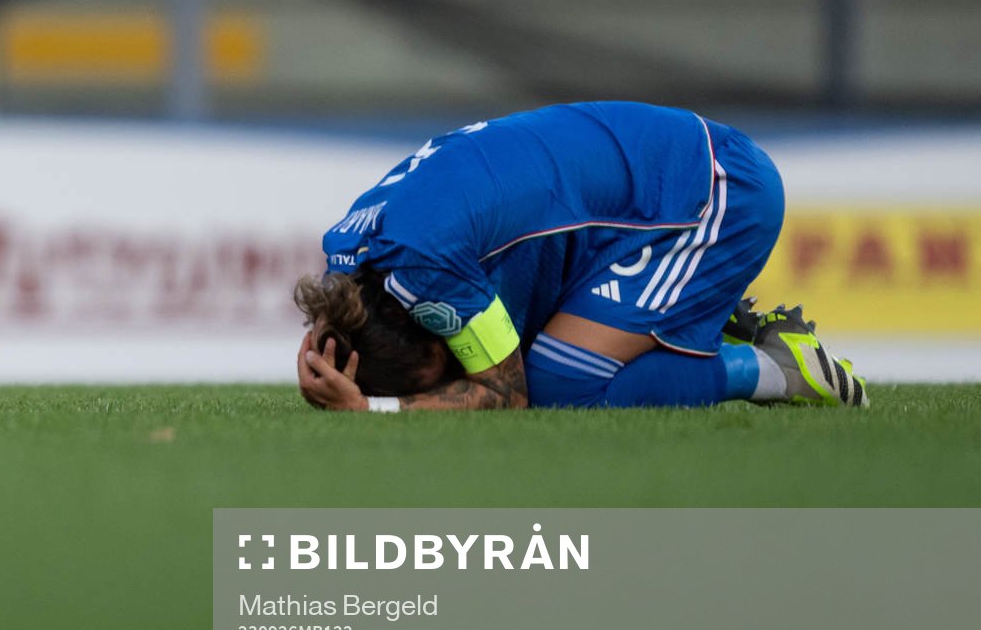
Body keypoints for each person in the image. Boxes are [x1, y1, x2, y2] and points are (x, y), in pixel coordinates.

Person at [293, 101, 868, 412]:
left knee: (563, 383)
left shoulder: (427, 268)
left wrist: (377, 411)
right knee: (532, 339)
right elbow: (337, 312)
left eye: (436, 373)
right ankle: (701, 325)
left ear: (428, 328)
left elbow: (506, 393)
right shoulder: (346, 253)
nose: (452, 374)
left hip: (716, 192)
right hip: (648, 191)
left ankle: (775, 367)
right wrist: (326, 349)